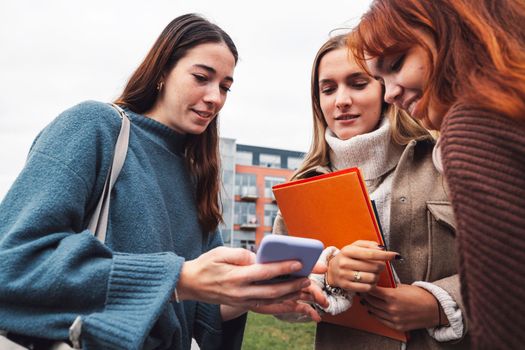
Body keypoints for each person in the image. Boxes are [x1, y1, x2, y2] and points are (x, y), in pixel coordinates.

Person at [0, 13, 326, 350]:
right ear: (162, 72)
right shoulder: (93, 127)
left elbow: (195, 309)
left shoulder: (197, 174)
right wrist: (176, 279)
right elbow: (11, 265)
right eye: (202, 77)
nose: (216, 97)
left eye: (225, 86)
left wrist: (248, 294)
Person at [273, 33, 470, 349]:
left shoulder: (446, 161)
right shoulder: (302, 188)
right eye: (328, 89)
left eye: (357, 83)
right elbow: (283, 303)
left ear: (385, 89)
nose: (341, 100)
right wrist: (329, 278)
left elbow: (509, 265)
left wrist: (439, 303)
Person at [352, 0, 525, 348]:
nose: (390, 93)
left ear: (454, 30)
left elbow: (508, 324)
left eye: (396, 64)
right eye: (379, 79)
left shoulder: (473, 127)